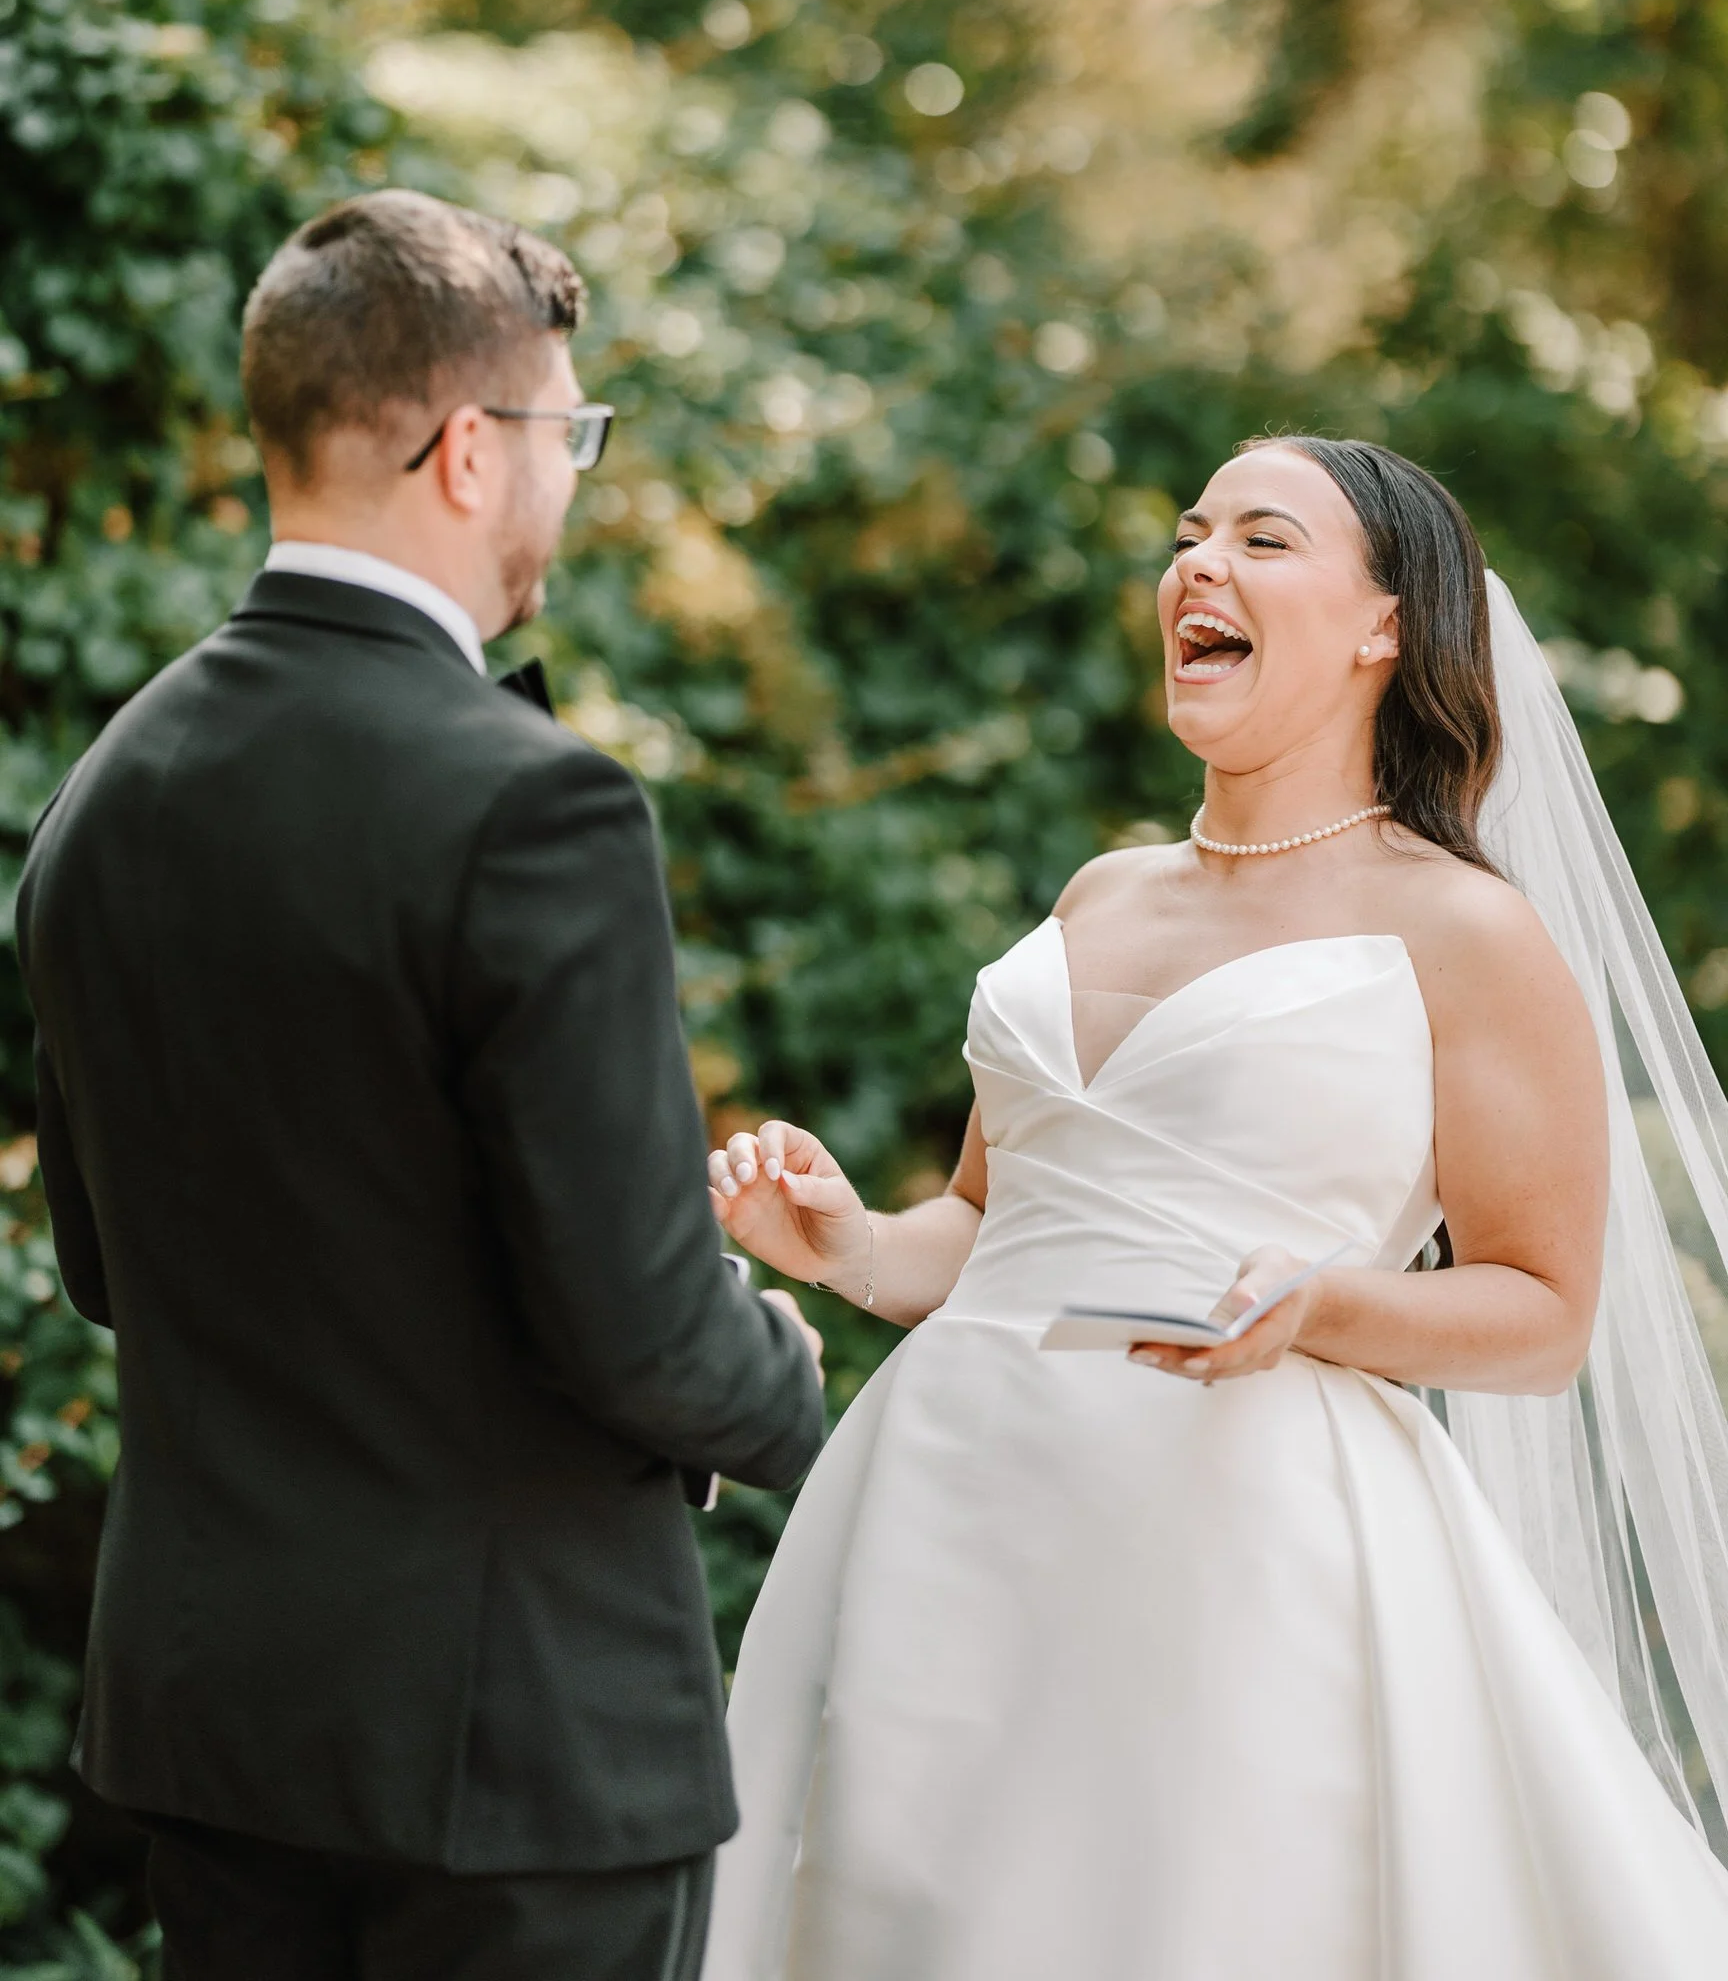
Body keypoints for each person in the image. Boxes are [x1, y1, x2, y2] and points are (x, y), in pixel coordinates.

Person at [699, 435, 1728, 1979]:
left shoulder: (1467, 932)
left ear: (1386, 626)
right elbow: (993, 1227)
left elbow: (1541, 1313)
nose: (1199, 564)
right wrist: (848, 1245)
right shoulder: (1100, 893)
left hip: (1239, 1542)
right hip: (947, 1511)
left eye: (1263, 539)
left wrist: (1325, 1307)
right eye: (1190, 536)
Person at [14, 189, 826, 1981]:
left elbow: (98, 1265)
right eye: (567, 436)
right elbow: (639, 1329)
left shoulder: (103, 796)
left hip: (219, 1730)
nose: (568, 484)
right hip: (510, 1749)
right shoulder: (535, 804)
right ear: (471, 448)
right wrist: (793, 1382)